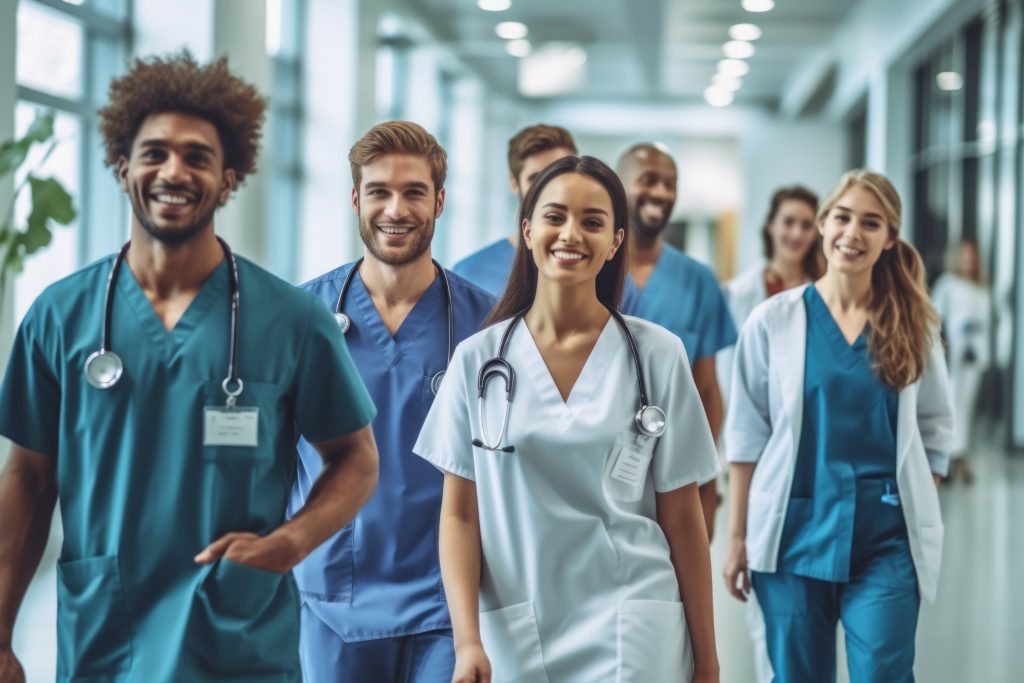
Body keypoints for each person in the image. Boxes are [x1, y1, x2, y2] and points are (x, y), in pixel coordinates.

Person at [0, 53, 380, 683]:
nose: (172, 171)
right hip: (106, 638)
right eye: (154, 153)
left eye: (197, 156)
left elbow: (356, 457)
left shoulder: (291, 320)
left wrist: (291, 541)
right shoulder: (59, 317)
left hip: (236, 642)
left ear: (229, 179)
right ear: (123, 169)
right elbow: (28, 480)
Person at [415, 156, 721, 682]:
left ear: (615, 241)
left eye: (593, 221)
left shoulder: (658, 355)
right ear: (528, 230)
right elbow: (460, 517)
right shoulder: (478, 360)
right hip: (518, 626)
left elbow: (684, 517)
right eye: (555, 217)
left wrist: (709, 661)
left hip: (634, 623)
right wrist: (466, 640)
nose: (571, 234)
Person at [723, 170, 953, 682]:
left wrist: (917, 499)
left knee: (883, 672)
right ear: (823, 225)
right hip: (791, 535)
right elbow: (746, 434)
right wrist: (737, 537)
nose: (853, 233)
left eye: (871, 223)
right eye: (843, 217)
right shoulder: (773, 320)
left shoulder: (913, 324)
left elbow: (936, 428)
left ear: (889, 238)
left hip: (886, 539)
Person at [289, 121, 495, 682]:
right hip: (333, 595)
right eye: (379, 191)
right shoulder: (301, 317)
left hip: (447, 599)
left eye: (414, 192)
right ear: (356, 199)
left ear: (440, 201)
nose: (395, 208)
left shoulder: (489, 326)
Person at [718, 185, 823, 683]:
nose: (798, 233)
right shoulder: (740, 295)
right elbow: (735, 389)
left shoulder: (832, 294)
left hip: (816, 466)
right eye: (790, 222)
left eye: (807, 224)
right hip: (759, 456)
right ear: (771, 227)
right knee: (774, 625)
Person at [616, 143, 737, 540]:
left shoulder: (699, 280)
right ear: (620, 186)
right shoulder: (596, 272)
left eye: (671, 184)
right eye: (649, 180)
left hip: (674, 466)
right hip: (600, 462)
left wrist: (706, 479)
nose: (663, 193)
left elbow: (706, 388)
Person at [452, 124, 577, 296]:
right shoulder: (467, 276)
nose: (550, 188)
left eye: (560, 175)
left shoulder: (608, 275)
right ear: (514, 183)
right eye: (536, 178)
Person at [931, 238, 991, 484]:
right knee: (951, 403)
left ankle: (961, 454)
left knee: (966, 404)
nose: (968, 261)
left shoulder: (982, 287)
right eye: (964, 256)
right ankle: (948, 456)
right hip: (954, 350)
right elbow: (935, 314)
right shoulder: (948, 284)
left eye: (972, 256)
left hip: (975, 354)